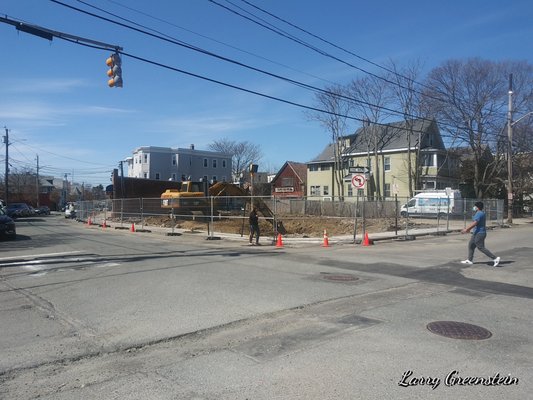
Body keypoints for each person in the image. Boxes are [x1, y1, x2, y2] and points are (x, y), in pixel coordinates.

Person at [460, 201, 500, 267]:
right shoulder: (479, 213)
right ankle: (470, 260)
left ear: (477, 207)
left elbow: (475, 223)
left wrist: (467, 229)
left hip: (480, 233)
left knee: (480, 247)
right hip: (476, 232)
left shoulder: (479, 213)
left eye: (475, 206)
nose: (474, 207)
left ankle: (495, 258)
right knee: (471, 245)